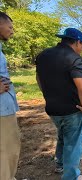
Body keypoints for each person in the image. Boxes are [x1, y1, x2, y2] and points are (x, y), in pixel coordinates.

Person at [36, 28, 82, 180]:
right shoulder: (73, 58)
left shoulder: (43, 56)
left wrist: (50, 97)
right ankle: (72, 177)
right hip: (73, 111)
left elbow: (39, 81)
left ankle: (60, 164)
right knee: (73, 144)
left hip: (52, 109)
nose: (81, 48)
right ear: (77, 42)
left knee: (63, 135)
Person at [0, 11, 21, 180]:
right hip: (1, 110)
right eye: (9, 26)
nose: (12, 31)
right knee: (6, 149)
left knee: (9, 147)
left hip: (5, 105)